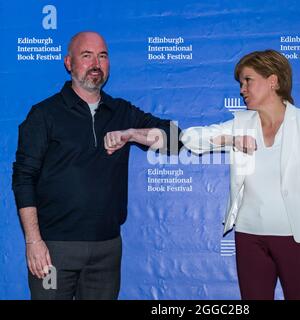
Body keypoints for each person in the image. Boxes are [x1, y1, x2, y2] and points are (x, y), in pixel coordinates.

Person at [12, 31, 180, 300]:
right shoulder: (44, 115)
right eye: (86, 55)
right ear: (69, 63)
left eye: (102, 56)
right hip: (54, 251)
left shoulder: (122, 112)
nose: (96, 64)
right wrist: (33, 241)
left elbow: (175, 139)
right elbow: (23, 178)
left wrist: (133, 134)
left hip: (106, 251)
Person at [181, 49, 300, 300]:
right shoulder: (240, 123)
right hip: (249, 236)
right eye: (241, 83)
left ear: (273, 81)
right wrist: (230, 138)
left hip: (299, 238)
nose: (242, 89)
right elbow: (190, 139)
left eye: (248, 80)